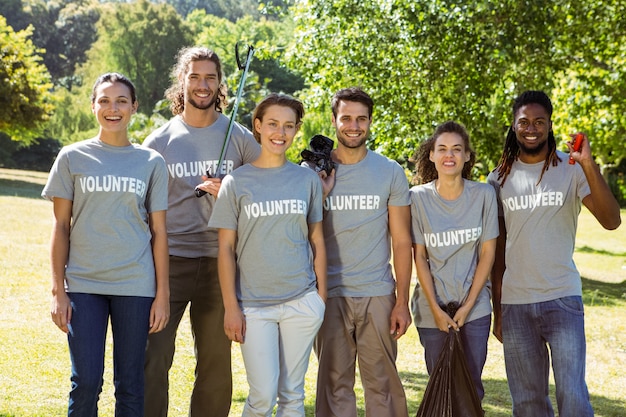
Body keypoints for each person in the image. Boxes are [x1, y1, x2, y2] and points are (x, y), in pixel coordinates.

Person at [487, 90, 621, 417]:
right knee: (528, 403)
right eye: (524, 122)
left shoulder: (572, 169)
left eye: (539, 122)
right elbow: (498, 250)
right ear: (514, 125)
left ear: (549, 125)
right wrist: (499, 309)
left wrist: (588, 163)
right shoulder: (498, 178)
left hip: (563, 299)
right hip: (516, 305)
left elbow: (612, 220)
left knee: (573, 397)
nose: (531, 128)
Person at [143, 46, 261, 417]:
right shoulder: (158, 142)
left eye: (210, 77)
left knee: (214, 364)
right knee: (153, 356)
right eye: (194, 76)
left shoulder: (240, 138)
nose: (202, 84)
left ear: (221, 83)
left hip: (219, 263)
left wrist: (232, 186)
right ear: (182, 80)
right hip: (168, 262)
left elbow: (268, 183)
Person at [44, 72, 170, 416]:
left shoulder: (151, 162)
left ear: (134, 107)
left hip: (136, 285)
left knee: (130, 384)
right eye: (104, 100)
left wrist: (162, 294)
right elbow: (60, 225)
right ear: (93, 106)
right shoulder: (72, 157)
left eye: (121, 101)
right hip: (84, 284)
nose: (112, 108)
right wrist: (58, 290)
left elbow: (159, 232)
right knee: (85, 381)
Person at [208, 93, 327, 416]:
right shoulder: (237, 181)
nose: (280, 132)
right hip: (254, 307)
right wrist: (232, 308)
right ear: (258, 126)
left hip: (301, 302)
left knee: (293, 395)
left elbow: (317, 238)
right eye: (273, 124)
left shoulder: (306, 180)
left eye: (289, 126)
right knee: (262, 395)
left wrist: (320, 300)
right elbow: (225, 248)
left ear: (296, 130)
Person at [314, 87, 412, 417]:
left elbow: (401, 241)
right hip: (329, 294)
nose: (353, 126)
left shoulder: (389, 172)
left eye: (361, 119)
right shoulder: (315, 176)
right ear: (334, 120)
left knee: (382, 386)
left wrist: (401, 301)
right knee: (333, 386)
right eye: (346, 118)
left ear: (370, 121)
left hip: (377, 293)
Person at [409, 121, 498, 405]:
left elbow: (488, 254)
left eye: (457, 149)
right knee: (441, 386)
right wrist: (436, 309)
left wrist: (469, 305)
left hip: (475, 308)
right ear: (431, 155)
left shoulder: (484, 195)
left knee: (471, 386)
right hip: (431, 308)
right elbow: (419, 257)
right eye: (442, 149)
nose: (450, 156)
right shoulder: (417, 199)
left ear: (468, 156)